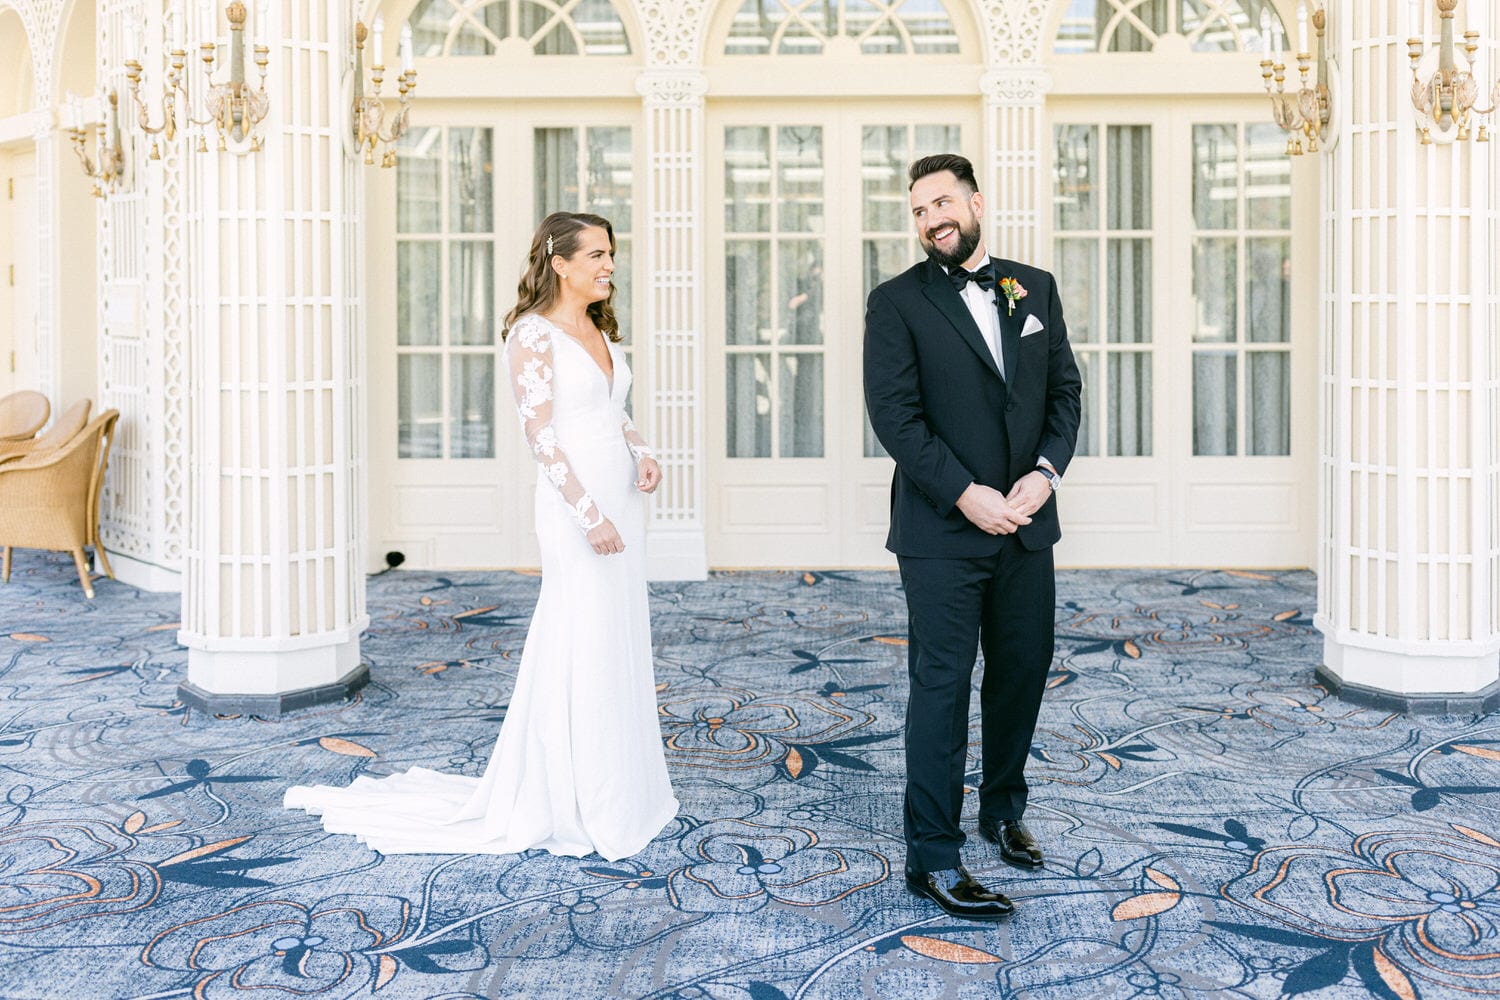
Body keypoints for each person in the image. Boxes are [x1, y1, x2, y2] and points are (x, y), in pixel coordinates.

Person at [285, 211, 679, 861]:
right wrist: (590, 516)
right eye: (598, 255)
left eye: (612, 254)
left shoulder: (600, 326)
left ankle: (622, 786)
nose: (610, 265)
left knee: (618, 633)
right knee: (579, 635)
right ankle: (571, 795)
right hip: (576, 508)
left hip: (620, 497)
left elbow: (613, 409)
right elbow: (542, 435)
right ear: (560, 263)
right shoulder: (532, 334)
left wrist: (641, 450)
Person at [863, 154, 1082, 920]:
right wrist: (966, 494)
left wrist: (1046, 473)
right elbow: (896, 419)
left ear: (976, 203)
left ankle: (1001, 809)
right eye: (919, 210)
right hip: (941, 533)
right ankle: (932, 855)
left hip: (1027, 526)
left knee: (1022, 672)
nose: (931, 220)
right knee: (942, 687)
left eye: (943, 203)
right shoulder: (895, 304)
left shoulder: (1035, 287)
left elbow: (1064, 393)